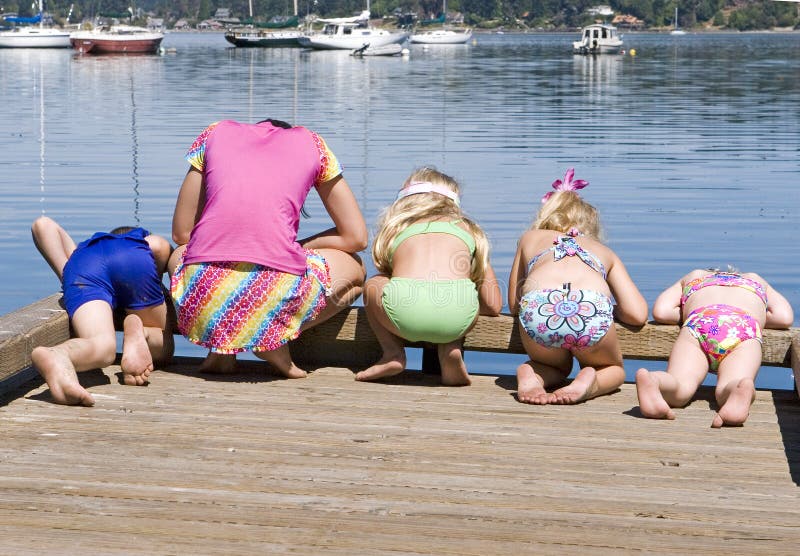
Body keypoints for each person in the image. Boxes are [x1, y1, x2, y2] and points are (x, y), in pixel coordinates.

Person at [169, 118, 367, 378]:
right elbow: (357, 238)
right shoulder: (314, 145)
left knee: (180, 253)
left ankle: (221, 350)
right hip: (277, 290)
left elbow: (182, 233)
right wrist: (301, 247)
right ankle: (273, 338)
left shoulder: (213, 134)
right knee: (357, 271)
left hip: (204, 296)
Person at [508, 169, 648, 405]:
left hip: (540, 308)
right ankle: (590, 380)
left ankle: (533, 374)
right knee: (613, 368)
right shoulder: (604, 252)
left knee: (555, 367)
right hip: (589, 309)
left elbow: (514, 304)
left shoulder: (529, 238)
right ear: (591, 226)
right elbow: (637, 314)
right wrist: (607, 309)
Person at [355, 167, 503, 386]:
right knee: (459, 288)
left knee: (374, 284)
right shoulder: (470, 232)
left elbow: (390, 274)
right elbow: (493, 305)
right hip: (458, 315)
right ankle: (449, 349)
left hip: (404, 311)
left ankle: (392, 353)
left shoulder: (396, 229)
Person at [30, 216, 174, 406]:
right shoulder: (140, 240)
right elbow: (159, 248)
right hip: (135, 257)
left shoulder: (83, 251)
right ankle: (142, 332)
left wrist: (66, 277)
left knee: (103, 347)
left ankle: (60, 353)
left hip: (84, 266)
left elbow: (41, 224)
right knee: (165, 343)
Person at [636, 268, 793, 427]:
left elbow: (661, 312)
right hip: (742, 324)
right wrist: (757, 318)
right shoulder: (755, 279)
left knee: (680, 386)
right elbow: (784, 317)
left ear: (711, 272)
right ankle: (739, 388)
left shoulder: (695, 275)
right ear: (737, 273)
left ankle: (654, 380)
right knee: (729, 385)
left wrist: (688, 314)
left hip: (700, 321)